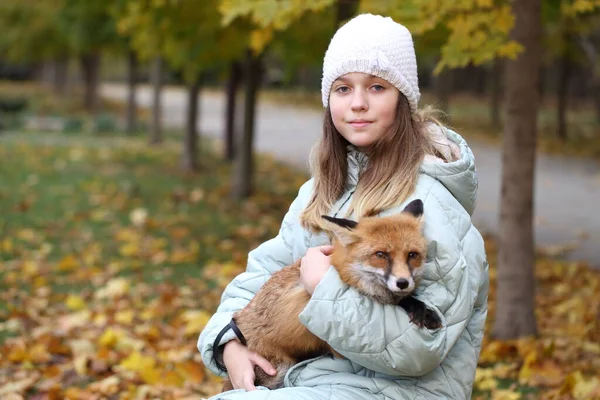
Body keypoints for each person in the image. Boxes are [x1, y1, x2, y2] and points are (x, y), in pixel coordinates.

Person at [197, 13, 489, 400]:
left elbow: (419, 346)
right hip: (311, 377)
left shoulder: (431, 205)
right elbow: (264, 272)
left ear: (404, 99)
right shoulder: (323, 191)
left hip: (393, 389)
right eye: (342, 89)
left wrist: (322, 287)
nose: (358, 104)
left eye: (377, 87)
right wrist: (229, 341)